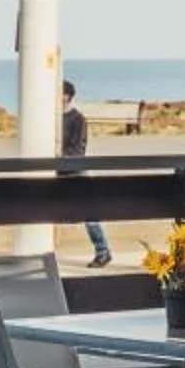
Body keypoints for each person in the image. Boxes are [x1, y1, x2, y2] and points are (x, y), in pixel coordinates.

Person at [63, 79, 110, 266]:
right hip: (56, 172)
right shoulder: (50, 119)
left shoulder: (78, 119)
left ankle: (103, 251)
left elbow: (78, 149)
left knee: (89, 213)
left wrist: (58, 157)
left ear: (66, 96)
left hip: (75, 172)